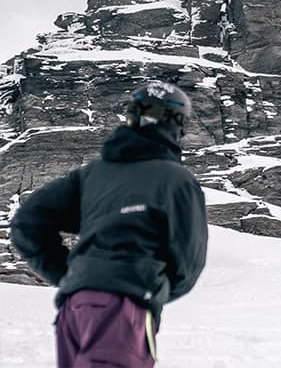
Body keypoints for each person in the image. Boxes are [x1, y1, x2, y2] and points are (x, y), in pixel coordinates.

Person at [11, 80, 208, 368]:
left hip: (74, 309)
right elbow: (189, 261)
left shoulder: (93, 174)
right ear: (177, 124)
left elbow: (27, 223)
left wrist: (74, 277)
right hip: (125, 306)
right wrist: (150, 286)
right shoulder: (176, 180)